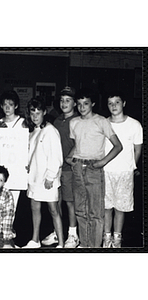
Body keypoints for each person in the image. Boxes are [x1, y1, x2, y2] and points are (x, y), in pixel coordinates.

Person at [66, 88, 122, 248]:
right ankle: (85, 244)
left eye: (86, 103)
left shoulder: (101, 121)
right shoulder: (74, 122)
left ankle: (95, 247)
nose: (82, 107)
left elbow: (118, 146)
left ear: (93, 104)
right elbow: (78, 145)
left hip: (94, 168)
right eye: (79, 104)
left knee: (95, 212)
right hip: (77, 168)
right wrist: (70, 158)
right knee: (80, 210)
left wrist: (102, 162)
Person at [22, 97, 64, 248]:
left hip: (48, 178)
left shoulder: (50, 130)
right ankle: (35, 240)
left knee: (54, 210)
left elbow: (56, 157)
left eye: (38, 113)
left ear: (44, 112)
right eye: (32, 113)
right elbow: (32, 154)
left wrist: (51, 177)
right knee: (35, 207)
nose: (35, 116)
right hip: (34, 177)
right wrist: (28, 165)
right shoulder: (34, 131)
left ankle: (61, 244)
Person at [102, 91, 143, 248]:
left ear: (124, 103)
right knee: (106, 206)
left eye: (117, 102)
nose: (114, 106)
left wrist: (131, 167)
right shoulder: (103, 123)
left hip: (125, 172)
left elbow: (137, 150)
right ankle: (107, 237)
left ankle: (117, 237)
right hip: (106, 171)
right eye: (110, 103)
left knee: (121, 207)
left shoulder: (134, 125)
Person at [42, 87, 80, 248]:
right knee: (55, 201)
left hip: (69, 169)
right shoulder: (57, 121)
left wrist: (70, 157)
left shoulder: (78, 120)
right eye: (62, 100)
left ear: (75, 103)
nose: (64, 103)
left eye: (68, 100)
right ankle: (58, 233)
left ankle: (73, 235)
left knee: (70, 202)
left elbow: (80, 143)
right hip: (56, 169)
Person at [0, 90, 26, 209]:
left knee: (12, 203)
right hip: (1, 166)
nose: (7, 108)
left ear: (16, 106)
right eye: (5, 105)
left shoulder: (23, 123)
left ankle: (8, 226)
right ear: (1, 106)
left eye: (11, 104)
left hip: (17, 168)